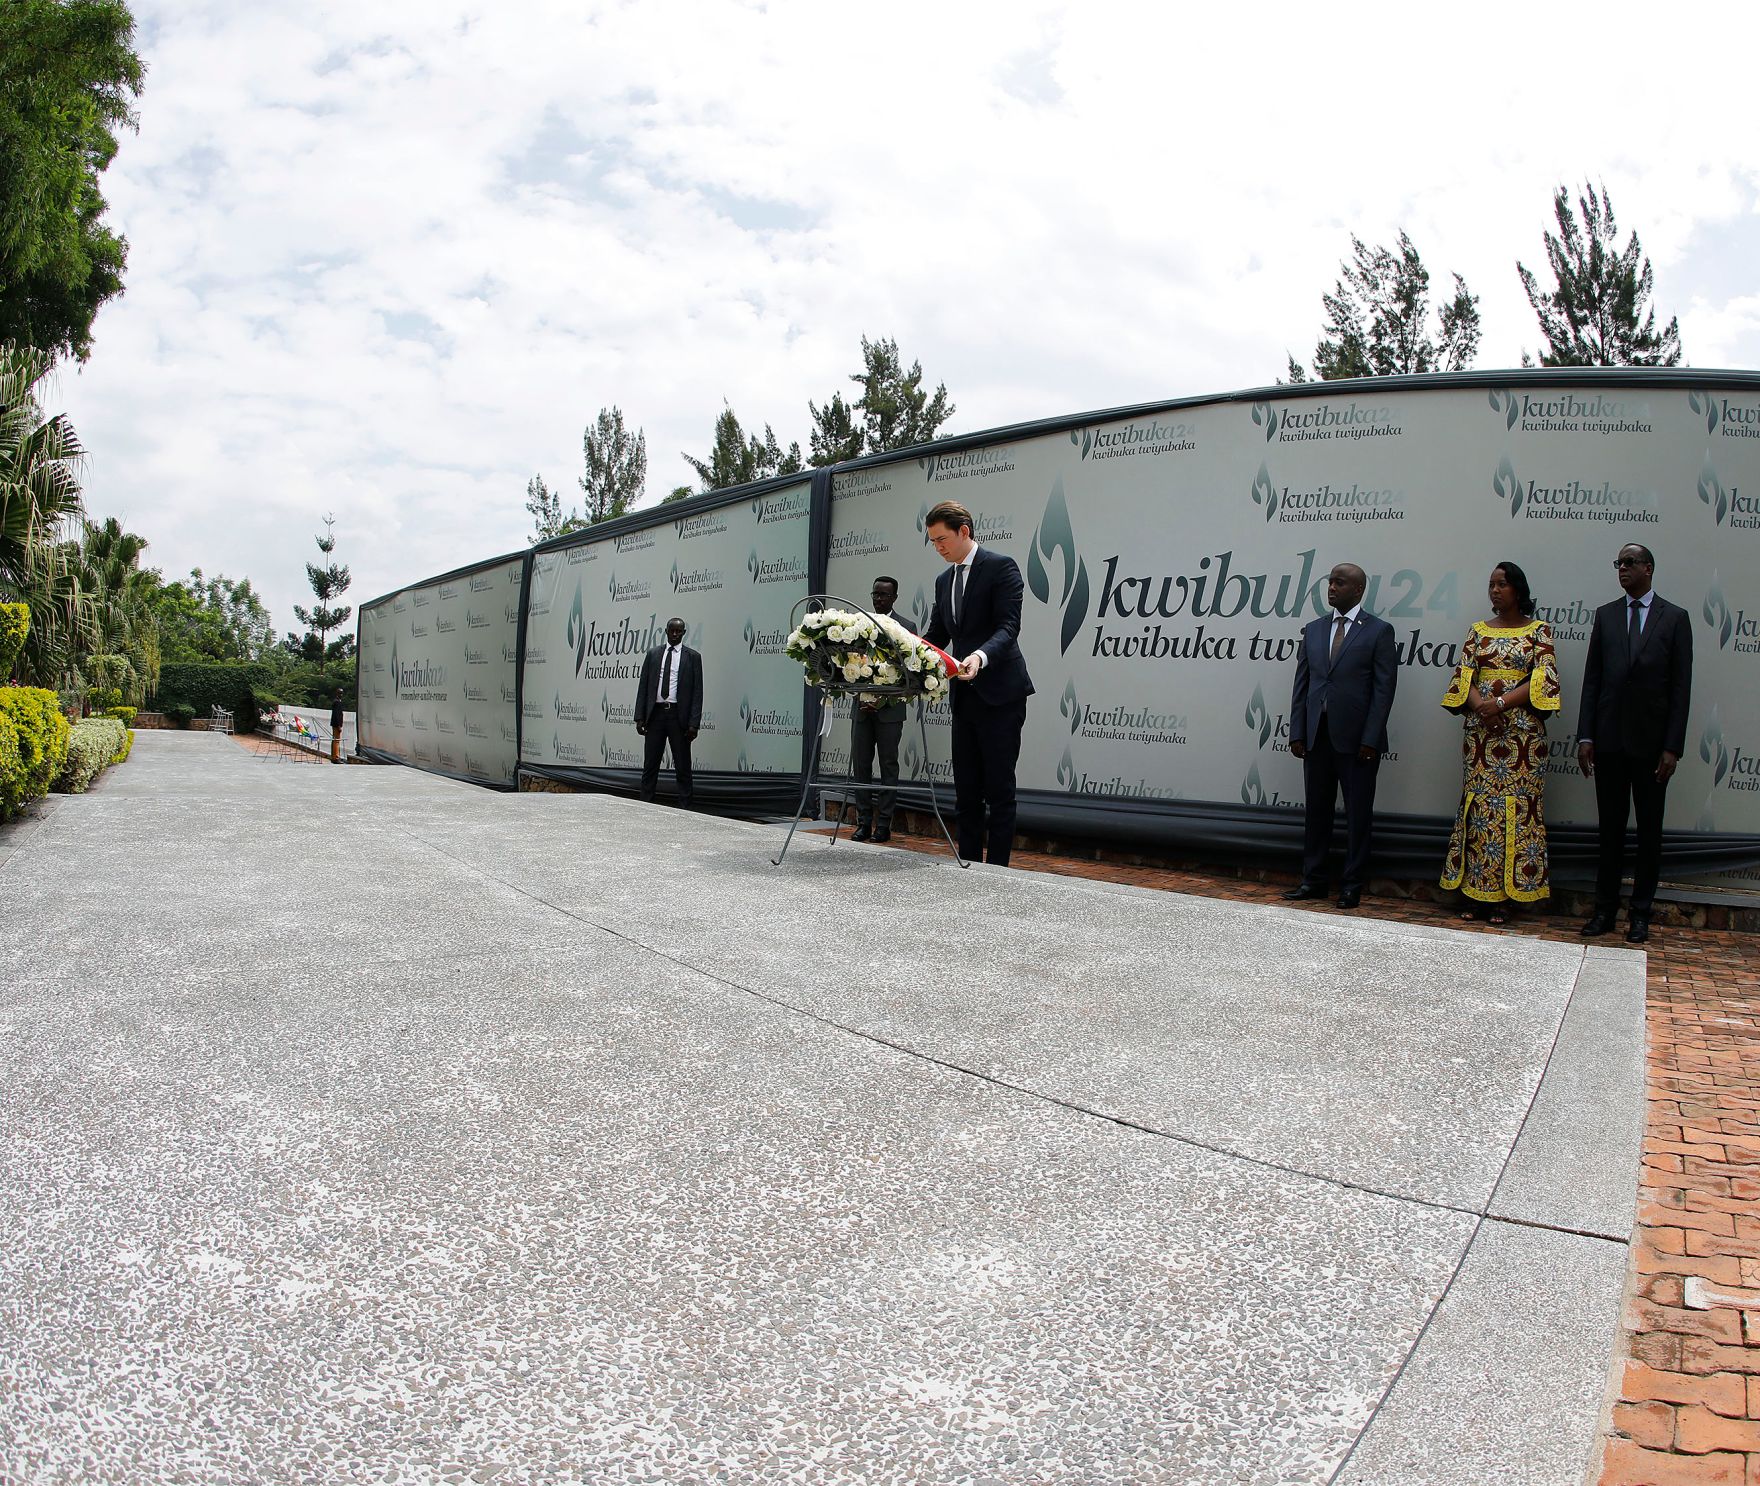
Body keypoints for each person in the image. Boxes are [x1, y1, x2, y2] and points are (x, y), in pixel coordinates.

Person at [1577, 543, 1693, 943]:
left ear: (1649, 568)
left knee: (1648, 833)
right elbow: (1593, 679)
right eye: (1618, 564)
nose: (1622, 569)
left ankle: (1640, 914)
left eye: (1629, 563)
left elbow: (1681, 689)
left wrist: (1672, 747)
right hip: (1608, 742)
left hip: (1651, 748)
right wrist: (1586, 735)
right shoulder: (1606, 616)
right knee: (1610, 831)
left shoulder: (1675, 618)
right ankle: (1604, 911)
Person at [1438, 562, 1561, 924]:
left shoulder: (1539, 631)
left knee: (1515, 811)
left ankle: (1508, 897)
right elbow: (1464, 676)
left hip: (1522, 737)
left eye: (1502, 584)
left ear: (1518, 590)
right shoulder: (1477, 632)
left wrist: (1502, 703)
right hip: (1482, 737)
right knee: (1480, 811)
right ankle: (1477, 893)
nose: (1495, 590)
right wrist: (1482, 707)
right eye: (1491, 584)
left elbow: (1543, 678)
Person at [922, 499, 1033, 865]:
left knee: (1000, 789)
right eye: (933, 541)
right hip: (964, 697)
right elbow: (935, 636)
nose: (938, 547)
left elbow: (1008, 627)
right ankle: (967, 865)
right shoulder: (943, 580)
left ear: (964, 531)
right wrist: (904, 658)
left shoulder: (1001, 567)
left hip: (1001, 694)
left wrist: (980, 656)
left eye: (942, 539)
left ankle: (998, 871)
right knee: (966, 791)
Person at [1283, 562, 1398, 910]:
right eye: (1330, 582)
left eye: (1340, 583)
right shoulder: (1314, 629)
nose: (1332, 588)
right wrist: (1298, 730)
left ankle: (1351, 885)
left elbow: (1384, 689)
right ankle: (1313, 880)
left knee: (1357, 815)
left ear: (1358, 590)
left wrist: (1370, 738)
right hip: (1317, 735)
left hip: (1357, 742)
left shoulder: (1379, 631)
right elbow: (1302, 683)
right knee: (1317, 812)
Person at [849, 576, 905, 843]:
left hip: (890, 711)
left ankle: (884, 825)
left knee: (888, 767)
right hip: (862, 709)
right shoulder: (857, 626)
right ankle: (862, 823)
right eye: (875, 594)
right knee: (861, 766)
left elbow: (910, 671)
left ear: (894, 597)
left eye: (884, 595)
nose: (879, 599)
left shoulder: (907, 627)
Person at [635, 616, 702, 808]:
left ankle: (685, 808)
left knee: (682, 766)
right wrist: (640, 717)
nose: (675, 634)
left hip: (678, 717)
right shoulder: (654, 654)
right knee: (650, 765)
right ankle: (645, 805)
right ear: (666, 631)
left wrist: (694, 724)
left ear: (684, 633)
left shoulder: (693, 657)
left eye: (679, 631)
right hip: (655, 715)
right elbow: (644, 686)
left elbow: (698, 692)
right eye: (672, 631)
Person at [329, 689, 345, 764]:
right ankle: (336, 757)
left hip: (334, 723)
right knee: (336, 741)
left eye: (342, 693)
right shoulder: (337, 702)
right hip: (336, 724)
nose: (341, 695)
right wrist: (339, 726)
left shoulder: (336, 701)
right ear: (337, 694)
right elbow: (337, 715)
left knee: (334, 740)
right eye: (340, 693)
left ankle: (333, 756)